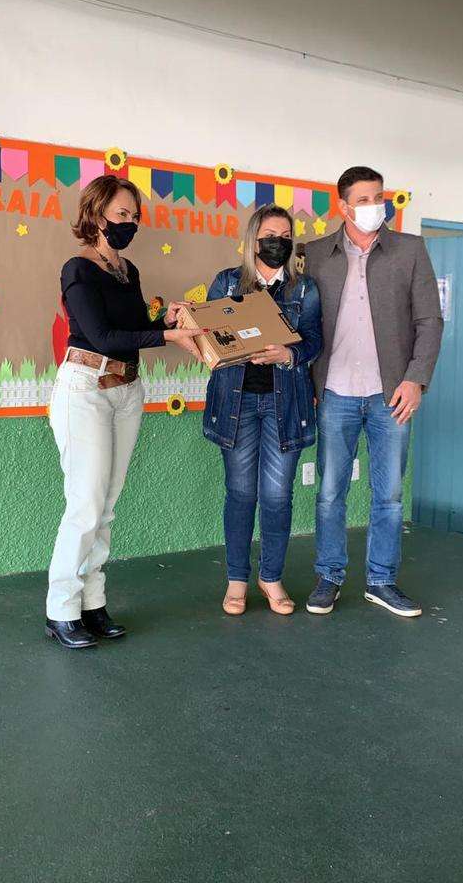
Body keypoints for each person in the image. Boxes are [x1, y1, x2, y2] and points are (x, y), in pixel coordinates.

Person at [46, 175, 200, 649]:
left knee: (106, 507)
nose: (130, 222)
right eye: (121, 214)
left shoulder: (127, 270)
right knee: (85, 505)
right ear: (95, 214)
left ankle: (92, 604)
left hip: (127, 390)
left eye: (134, 216)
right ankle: (61, 609)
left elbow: (134, 328)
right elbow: (101, 336)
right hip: (85, 389)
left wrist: (165, 320)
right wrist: (168, 336)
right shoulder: (78, 269)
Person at [305, 166, 443, 618]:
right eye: (363, 200)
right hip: (335, 393)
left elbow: (429, 321)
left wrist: (416, 378)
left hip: (392, 395)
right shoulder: (317, 254)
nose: (373, 207)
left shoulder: (410, 250)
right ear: (343, 206)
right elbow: (301, 322)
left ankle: (381, 581)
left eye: (378, 197)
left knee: (389, 496)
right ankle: (329, 576)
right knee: (330, 493)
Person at [204, 204, 322, 616]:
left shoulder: (304, 289)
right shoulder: (227, 282)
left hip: (284, 404)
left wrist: (288, 355)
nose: (278, 242)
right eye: (270, 236)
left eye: (286, 236)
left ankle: (271, 577)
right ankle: (237, 579)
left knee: (277, 496)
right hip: (236, 403)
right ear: (253, 239)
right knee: (240, 493)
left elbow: (314, 340)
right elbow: (209, 335)